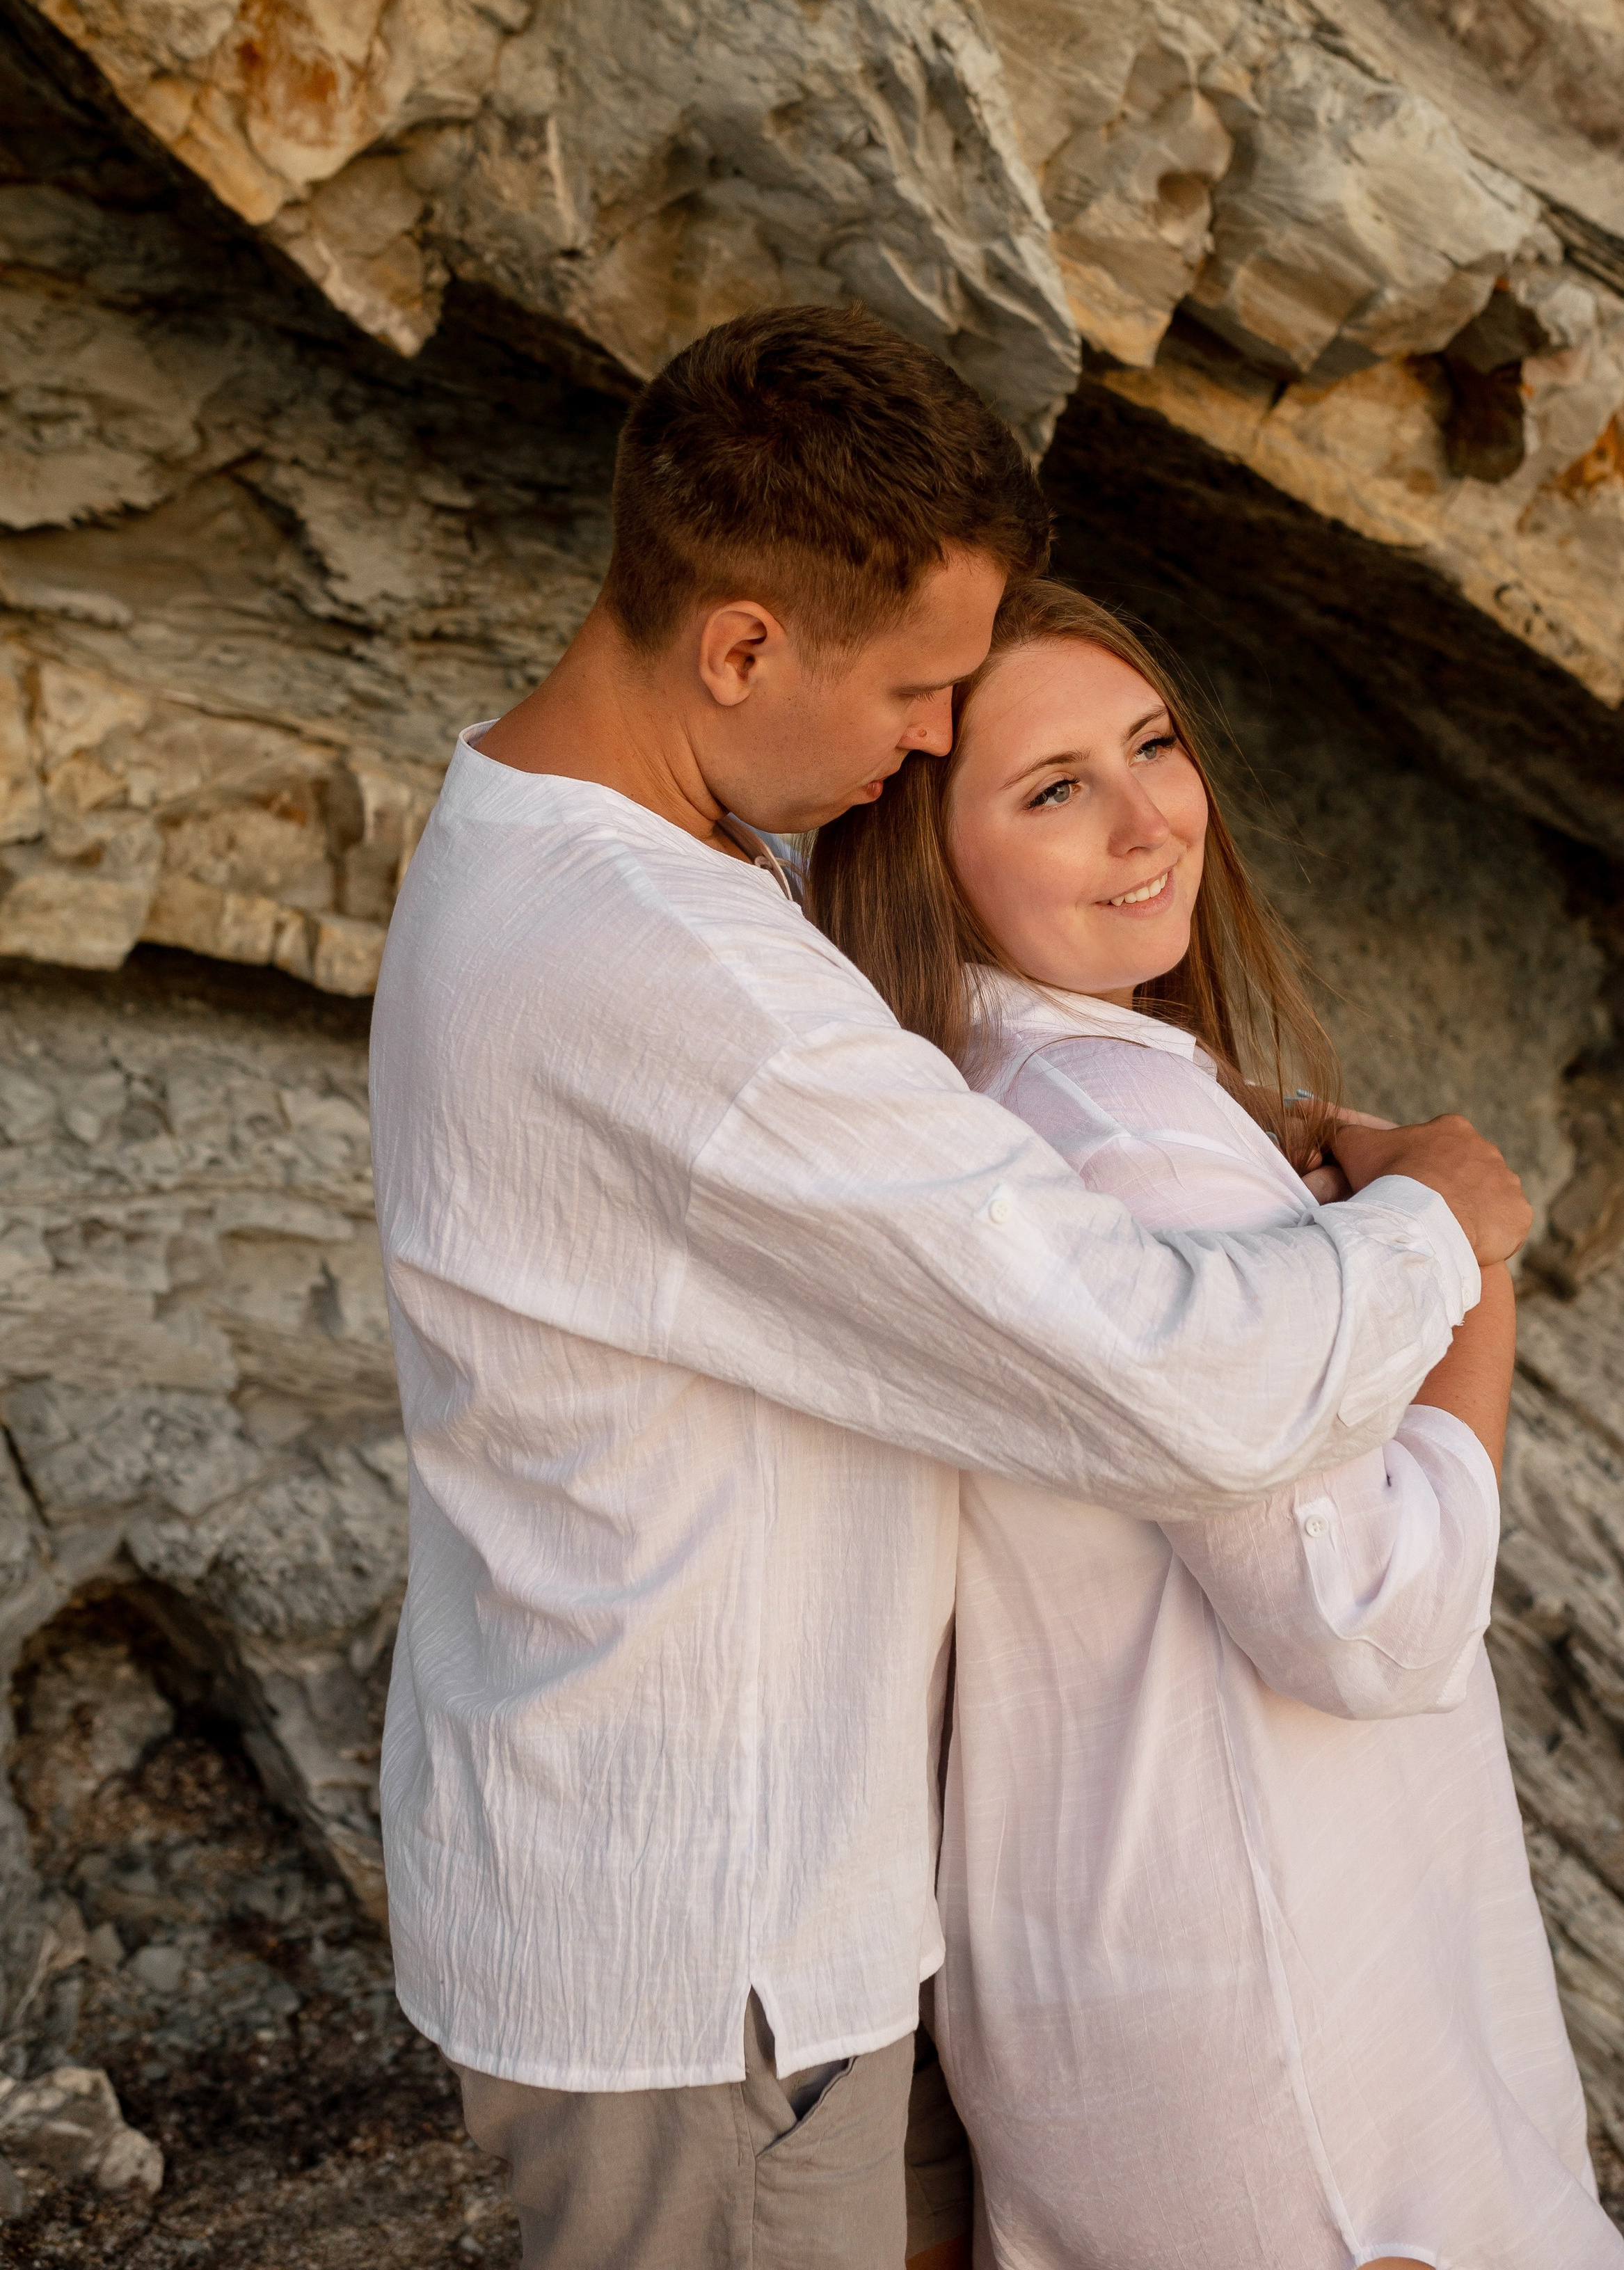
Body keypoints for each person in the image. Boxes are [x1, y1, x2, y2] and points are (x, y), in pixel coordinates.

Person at [367, 305, 1531, 2270]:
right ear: (739, 642)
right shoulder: (679, 985)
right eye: (922, 692)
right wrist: (1439, 1226)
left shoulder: (563, 837)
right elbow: (1188, 1386)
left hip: (712, 1898)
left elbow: (908, 1092)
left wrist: (1214, 1098)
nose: (928, 742)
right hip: (708, 1969)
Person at [810, 576, 1624, 2270]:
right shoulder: (1130, 1142)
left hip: (1114, 1963)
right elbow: (1361, 1615)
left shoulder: (967, 1097)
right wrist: (1467, 1259)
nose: (1146, 822)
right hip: (1280, 2003)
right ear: (921, 854)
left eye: (1151, 745)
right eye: (1053, 790)